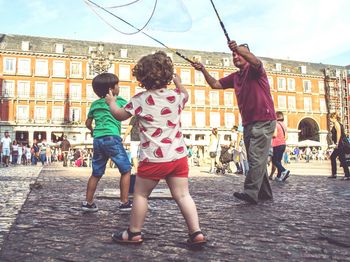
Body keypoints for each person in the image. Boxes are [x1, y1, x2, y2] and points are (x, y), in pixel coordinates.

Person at [105, 51, 206, 247]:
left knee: (141, 195)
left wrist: (111, 103)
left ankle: (134, 233)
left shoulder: (139, 100)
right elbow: (186, 94)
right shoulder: (176, 97)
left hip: (153, 159)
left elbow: (119, 115)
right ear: (168, 75)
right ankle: (196, 233)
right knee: (183, 195)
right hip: (178, 157)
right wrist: (178, 82)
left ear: (142, 77)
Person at [193, 40, 276, 204]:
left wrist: (238, 48)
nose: (235, 56)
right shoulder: (236, 76)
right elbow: (215, 84)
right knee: (256, 158)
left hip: (263, 119)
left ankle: (251, 192)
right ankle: (265, 193)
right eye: (233, 54)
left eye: (239, 53)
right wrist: (203, 70)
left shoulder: (255, 70)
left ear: (247, 55)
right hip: (248, 122)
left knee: (255, 157)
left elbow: (256, 61)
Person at [83, 72, 132, 212]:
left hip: (98, 140)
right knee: (126, 169)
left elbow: (88, 122)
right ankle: (124, 202)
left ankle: (88, 202)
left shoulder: (94, 104)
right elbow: (132, 110)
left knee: (96, 173)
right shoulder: (120, 101)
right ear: (112, 88)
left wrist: (92, 131)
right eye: (117, 85)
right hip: (112, 138)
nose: (119, 87)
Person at [269, 111, 290, 182]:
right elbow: (286, 136)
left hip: (276, 144)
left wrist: (269, 135)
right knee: (278, 161)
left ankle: (284, 170)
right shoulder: (284, 125)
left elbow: (274, 134)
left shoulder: (275, 124)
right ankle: (278, 176)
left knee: (275, 161)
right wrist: (281, 140)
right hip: (283, 144)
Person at [328, 112, 350, 180]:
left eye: (330, 118)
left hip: (341, 144)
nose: (329, 119)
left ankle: (347, 175)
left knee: (342, 159)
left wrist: (337, 143)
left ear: (333, 117)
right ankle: (334, 174)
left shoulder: (336, 123)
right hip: (340, 144)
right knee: (333, 157)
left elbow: (339, 133)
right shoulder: (337, 123)